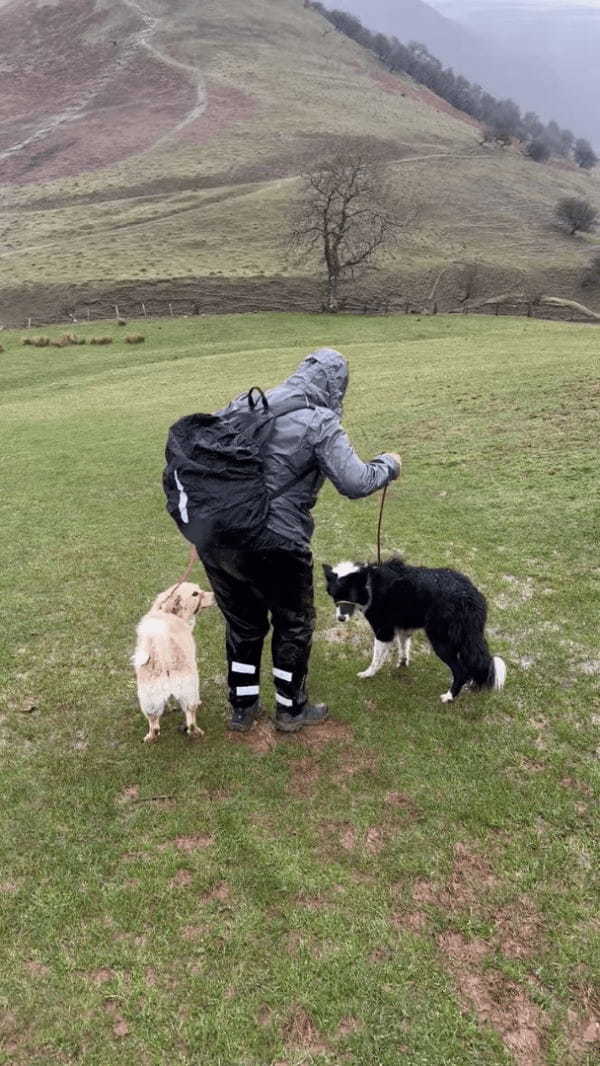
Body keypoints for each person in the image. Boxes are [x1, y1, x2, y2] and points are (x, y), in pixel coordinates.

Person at [199, 348, 401, 733]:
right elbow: (356, 481)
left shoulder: (248, 405)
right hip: (276, 541)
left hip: (219, 537)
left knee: (243, 623)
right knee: (293, 623)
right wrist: (387, 465)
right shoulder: (319, 420)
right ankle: (290, 709)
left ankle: (242, 708)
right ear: (337, 386)